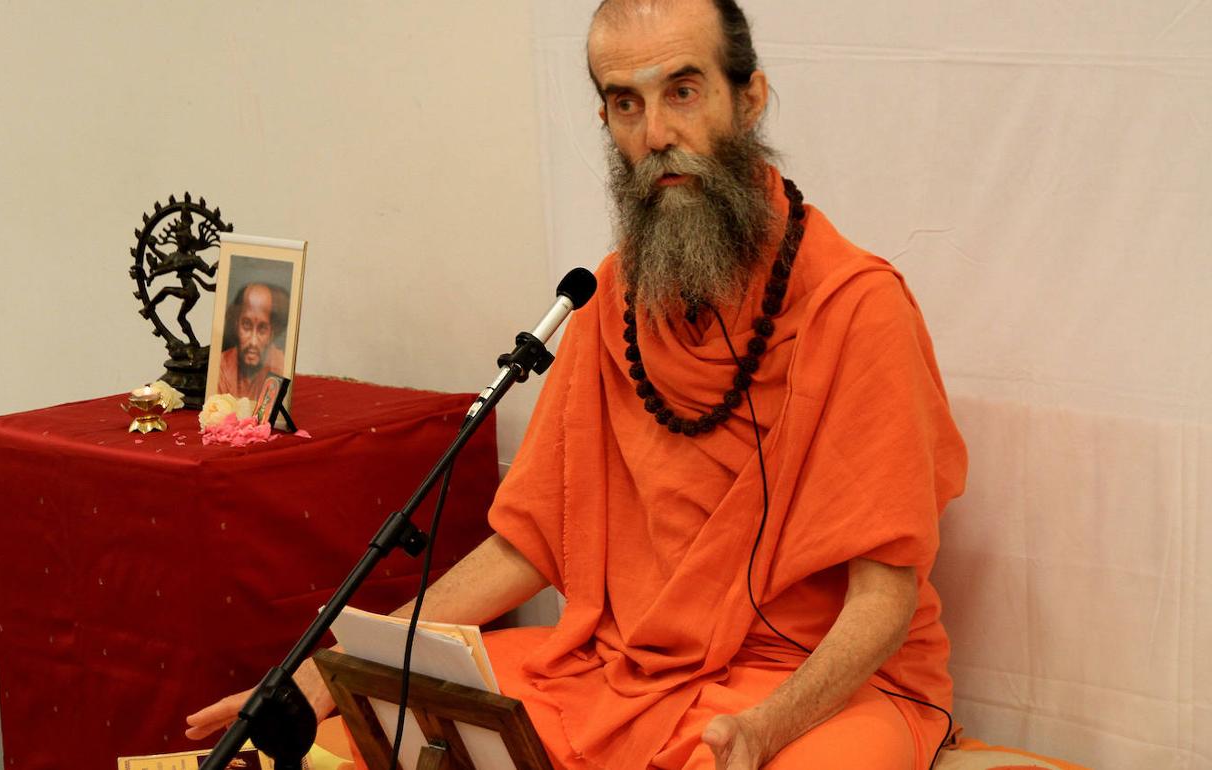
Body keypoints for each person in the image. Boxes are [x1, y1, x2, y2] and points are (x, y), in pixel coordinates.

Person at [187, 1, 967, 768]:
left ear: (750, 98)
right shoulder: (611, 300)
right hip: (620, 673)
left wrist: (766, 727)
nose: (656, 135)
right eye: (626, 104)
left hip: (813, 687)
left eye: (683, 92)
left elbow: (882, 599)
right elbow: (530, 542)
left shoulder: (856, 306)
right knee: (349, 738)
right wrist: (324, 674)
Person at [216, 282, 288, 402]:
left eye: (262, 328)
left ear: (271, 333)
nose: (253, 342)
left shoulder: (281, 365)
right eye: (246, 325)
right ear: (236, 325)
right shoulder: (221, 366)